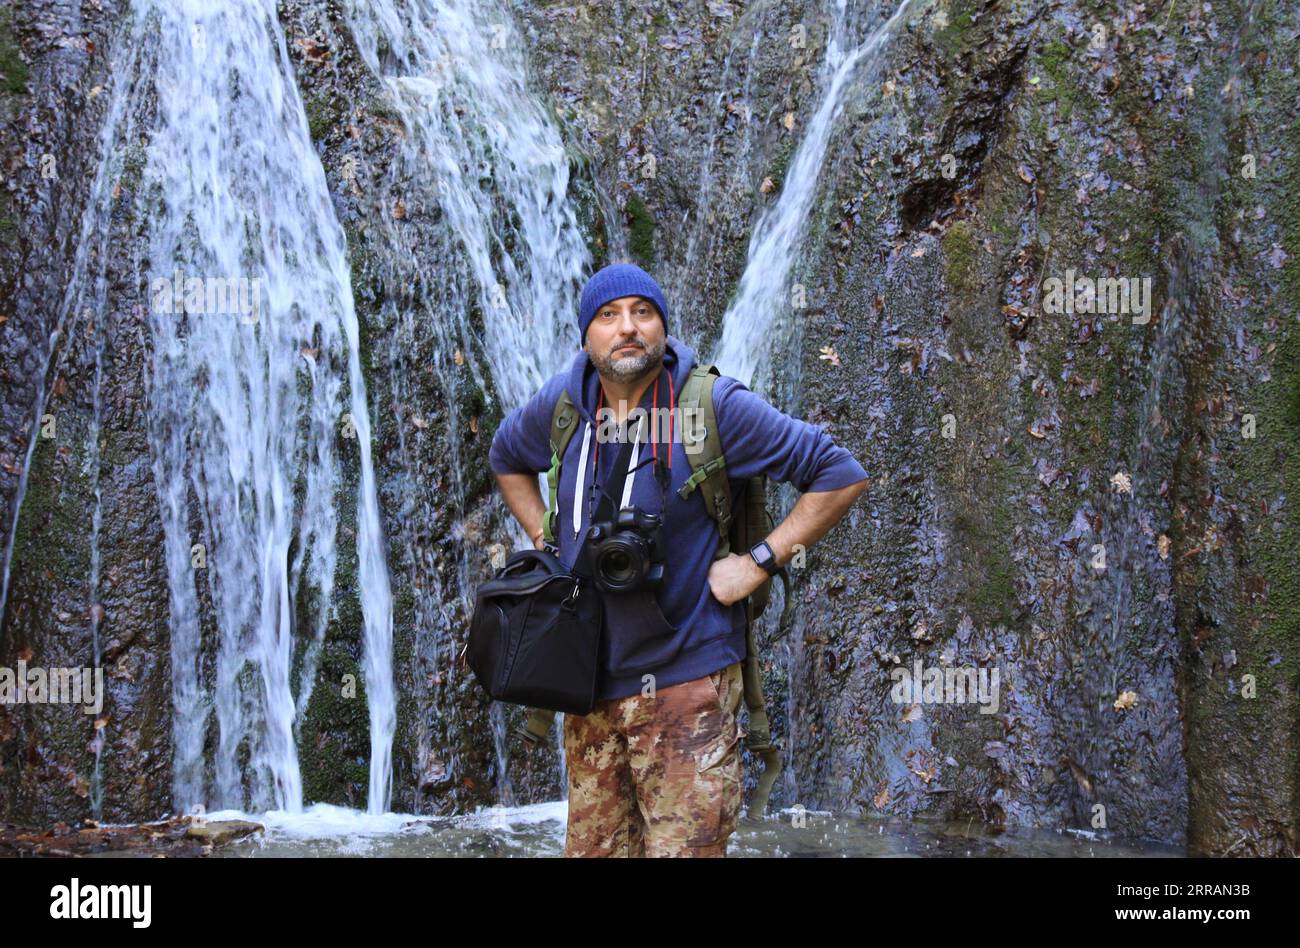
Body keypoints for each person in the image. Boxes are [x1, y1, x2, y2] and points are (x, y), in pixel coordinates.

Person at [488, 262, 869, 857]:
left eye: (643, 312)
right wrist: (547, 536)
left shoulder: (715, 407)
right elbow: (507, 457)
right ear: (587, 336)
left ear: (662, 326)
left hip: (686, 685)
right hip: (585, 689)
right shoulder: (564, 406)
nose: (627, 328)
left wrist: (759, 561)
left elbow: (840, 475)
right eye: (608, 316)